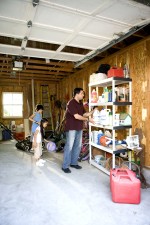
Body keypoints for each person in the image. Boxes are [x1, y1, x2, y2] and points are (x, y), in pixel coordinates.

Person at [62, 87, 95, 173]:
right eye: (82, 93)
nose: (83, 95)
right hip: (71, 128)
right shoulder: (71, 103)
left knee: (77, 146)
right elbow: (76, 116)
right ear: (77, 94)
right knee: (69, 147)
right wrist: (87, 119)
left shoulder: (80, 103)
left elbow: (84, 113)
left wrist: (92, 111)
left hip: (79, 127)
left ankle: (73, 163)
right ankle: (65, 166)